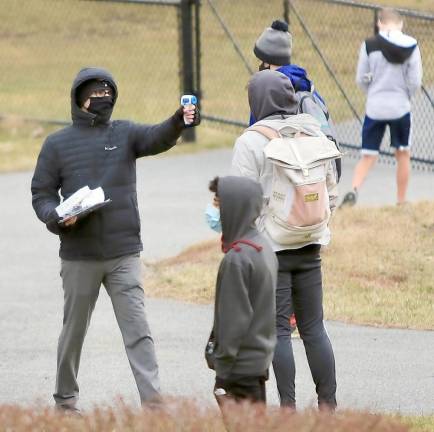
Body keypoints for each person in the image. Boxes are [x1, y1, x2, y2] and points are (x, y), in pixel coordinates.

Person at [31, 66, 199, 412]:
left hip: (124, 253)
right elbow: (41, 194)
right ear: (79, 99)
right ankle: (65, 402)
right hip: (79, 255)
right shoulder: (56, 144)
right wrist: (57, 217)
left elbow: (157, 136)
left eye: (108, 93)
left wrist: (179, 120)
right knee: (73, 333)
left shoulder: (124, 133)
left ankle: (154, 406)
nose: (102, 98)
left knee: (138, 331)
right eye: (95, 94)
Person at [231, 69, 338, 410]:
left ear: (257, 101)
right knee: (314, 329)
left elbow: (241, 202)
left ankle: (288, 409)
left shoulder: (251, 141)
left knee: (277, 331)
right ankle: (328, 405)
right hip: (310, 243)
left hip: (271, 248)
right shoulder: (313, 133)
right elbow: (330, 193)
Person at [204, 176, 278, 405]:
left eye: (218, 205)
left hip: (238, 370)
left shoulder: (237, 259)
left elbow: (232, 322)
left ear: (234, 208)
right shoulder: (262, 247)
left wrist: (222, 372)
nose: (215, 212)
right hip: (257, 362)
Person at [341, 7, 423, 206]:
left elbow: (361, 78)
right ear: (401, 24)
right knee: (403, 153)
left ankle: (353, 190)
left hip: (375, 107)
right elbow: (415, 81)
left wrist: (373, 92)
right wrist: (405, 95)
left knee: (368, 155)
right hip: (400, 107)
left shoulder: (369, 45)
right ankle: (401, 201)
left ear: (379, 23)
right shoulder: (412, 45)